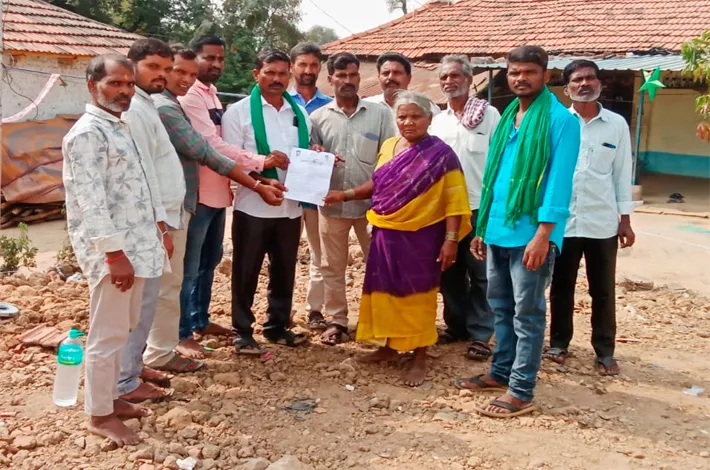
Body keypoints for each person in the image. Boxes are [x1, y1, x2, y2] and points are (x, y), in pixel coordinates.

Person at [456, 46, 581, 418]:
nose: (520, 78)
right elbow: (494, 177)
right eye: (514, 72)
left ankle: (522, 390)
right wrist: (482, 228)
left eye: (529, 72)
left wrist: (544, 234)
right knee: (500, 307)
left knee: (527, 313)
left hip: (531, 235)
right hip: (498, 229)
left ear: (546, 75)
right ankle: (500, 372)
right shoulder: (508, 115)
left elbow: (559, 182)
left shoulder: (561, 121)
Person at [147, 47, 286, 368]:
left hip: (217, 191)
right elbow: (207, 147)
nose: (214, 64)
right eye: (181, 70)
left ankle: (199, 319)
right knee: (187, 268)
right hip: (195, 194)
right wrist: (259, 168)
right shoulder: (177, 103)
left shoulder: (208, 94)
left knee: (208, 262)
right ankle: (181, 333)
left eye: (220, 59)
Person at [324, 91, 472, 386]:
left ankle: (420, 355)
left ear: (429, 119)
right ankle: (389, 347)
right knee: (385, 291)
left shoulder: (442, 155)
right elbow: (377, 183)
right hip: (385, 234)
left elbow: (454, 200)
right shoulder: (389, 146)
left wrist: (451, 240)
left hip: (423, 237)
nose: (408, 122)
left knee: (419, 295)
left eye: (416, 116)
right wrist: (345, 194)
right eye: (402, 116)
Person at [62, 54, 164, 445]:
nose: (124, 91)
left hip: (137, 248)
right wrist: (113, 255)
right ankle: (100, 414)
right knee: (107, 334)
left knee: (125, 327)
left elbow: (136, 188)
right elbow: (91, 202)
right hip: (115, 255)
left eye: (129, 84)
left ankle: (111, 397)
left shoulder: (119, 126)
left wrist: (157, 230)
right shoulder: (88, 133)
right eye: (115, 83)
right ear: (93, 85)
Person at [545, 60, 636, 376]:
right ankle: (558, 344)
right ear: (566, 88)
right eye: (577, 79)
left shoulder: (616, 125)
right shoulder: (556, 122)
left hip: (602, 222)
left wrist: (625, 220)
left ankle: (605, 351)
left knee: (603, 290)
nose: (584, 84)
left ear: (600, 83)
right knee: (561, 286)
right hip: (563, 222)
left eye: (590, 78)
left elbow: (622, 173)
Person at [223, 49, 312, 353]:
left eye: (282, 73)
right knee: (246, 270)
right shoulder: (238, 113)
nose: (276, 79)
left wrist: (319, 157)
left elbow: (304, 154)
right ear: (256, 74)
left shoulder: (299, 114)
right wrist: (261, 182)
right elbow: (231, 161)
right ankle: (242, 331)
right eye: (270, 72)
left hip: (291, 207)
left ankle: (277, 326)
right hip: (253, 206)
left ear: (290, 76)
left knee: (284, 270)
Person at [310, 52, 397, 345]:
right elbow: (311, 157)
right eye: (342, 76)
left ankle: (378, 321)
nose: (348, 81)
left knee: (379, 265)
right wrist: (317, 154)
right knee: (331, 267)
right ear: (330, 79)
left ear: (360, 77)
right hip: (330, 205)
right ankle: (337, 321)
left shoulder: (380, 114)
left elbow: (389, 159)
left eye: (353, 75)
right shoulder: (317, 118)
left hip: (372, 207)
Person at [116, 38, 186, 403]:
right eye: (153, 67)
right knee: (139, 304)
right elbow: (142, 174)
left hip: (159, 218)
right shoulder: (135, 111)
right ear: (132, 65)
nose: (162, 75)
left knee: (147, 300)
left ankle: (134, 366)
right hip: (148, 224)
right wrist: (160, 227)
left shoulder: (147, 104)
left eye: (166, 68)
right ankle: (125, 381)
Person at [430, 54, 501, 360]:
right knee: (450, 272)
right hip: (446, 210)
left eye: (455, 76)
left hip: (479, 208)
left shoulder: (490, 116)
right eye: (444, 77)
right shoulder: (437, 121)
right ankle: (456, 326)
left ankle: (482, 334)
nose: (449, 81)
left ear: (469, 79)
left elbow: (500, 161)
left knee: (483, 273)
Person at [288, 42, 333, 331]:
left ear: (320, 68)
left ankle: (314, 310)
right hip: (285, 193)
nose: (308, 70)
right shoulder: (280, 101)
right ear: (292, 66)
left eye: (313, 65)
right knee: (282, 254)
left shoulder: (330, 106)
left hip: (317, 194)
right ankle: (281, 310)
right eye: (302, 64)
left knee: (320, 255)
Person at [365, 51, 440, 116]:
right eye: (386, 73)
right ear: (379, 77)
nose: (390, 77)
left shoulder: (428, 108)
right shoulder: (367, 107)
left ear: (409, 78)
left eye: (397, 73)